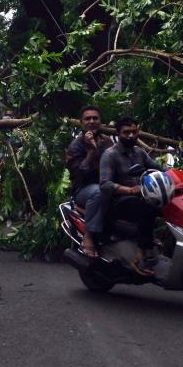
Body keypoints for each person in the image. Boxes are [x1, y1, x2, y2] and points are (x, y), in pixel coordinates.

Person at [99, 116, 164, 275]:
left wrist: (179, 174)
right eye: (126, 132)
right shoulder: (110, 154)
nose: (130, 135)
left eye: (134, 132)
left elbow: (158, 168)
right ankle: (143, 253)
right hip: (119, 201)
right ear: (118, 133)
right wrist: (128, 190)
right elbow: (104, 184)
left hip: (141, 198)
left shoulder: (140, 152)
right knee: (147, 209)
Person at [65, 105, 113, 258]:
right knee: (99, 191)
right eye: (88, 118)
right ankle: (89, 235)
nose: (92, 121)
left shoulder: (107, 142)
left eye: (95, 118)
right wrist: (91, 151)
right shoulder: (76, 146)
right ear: (81, 123)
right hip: (84, 190)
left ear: (100, 122)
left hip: (109, 186)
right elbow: (79, 174)